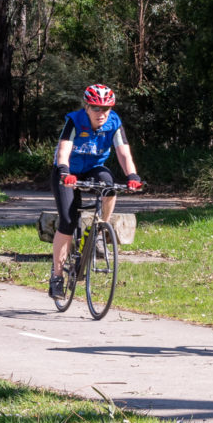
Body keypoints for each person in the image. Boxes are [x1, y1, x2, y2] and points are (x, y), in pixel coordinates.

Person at [49, 84, 142, 299]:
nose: (101, 113)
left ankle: (100, 228)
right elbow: (64, 150)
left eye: (106, 109)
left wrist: (133, 176)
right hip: (67, 171)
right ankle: (56, 277)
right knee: (67, 222)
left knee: (108, 184)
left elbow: (124, 154)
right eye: (96, 108)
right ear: (87, 107)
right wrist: (64, 172)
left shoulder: (114, 123)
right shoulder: (74, 121)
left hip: (92, 169)